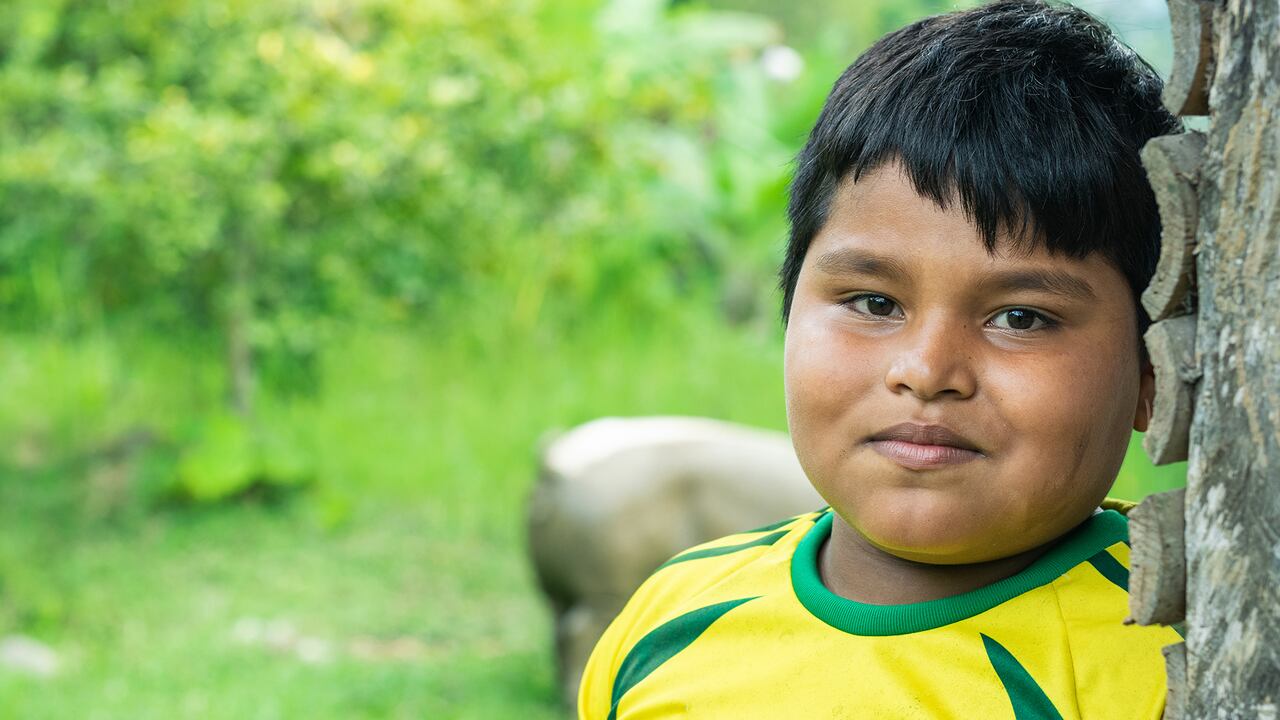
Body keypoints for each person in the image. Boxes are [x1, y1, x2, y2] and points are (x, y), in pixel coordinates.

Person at [577, 1, 1185, 717]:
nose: (926, 371)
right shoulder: (670, 622)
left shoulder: (1169, 661)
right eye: (873, 303)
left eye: (1021, 317)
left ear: (1155, 370)